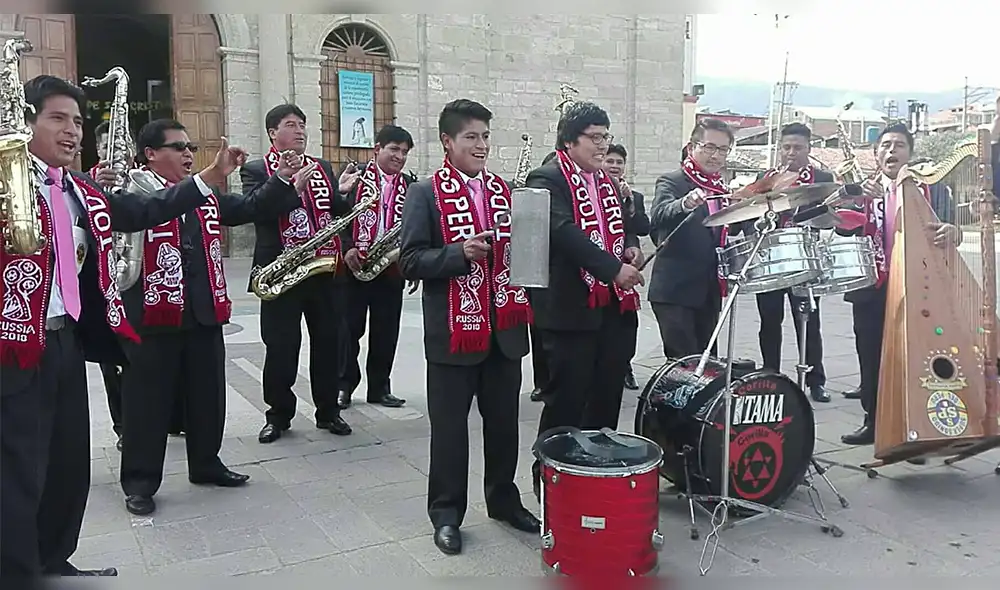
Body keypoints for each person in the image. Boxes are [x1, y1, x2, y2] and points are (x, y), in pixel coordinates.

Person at [0, 75, 218, 579]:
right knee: (17, 467)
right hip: (14, 346)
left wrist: (204, 181)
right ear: (26, 122)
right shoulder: (5, 181)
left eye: (77, 121)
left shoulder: (79, 189)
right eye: (57, 118)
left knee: (67, 461)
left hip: (65, 341)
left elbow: (142, 209)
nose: (72, 131)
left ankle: (53, 558)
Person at [118, 118, 306, 516]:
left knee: (207, 396)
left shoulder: (203, 195)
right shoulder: (131, 191)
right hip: (153, 315)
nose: (189, 154)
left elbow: (249, 208)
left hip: (202, 311)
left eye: (191, 147)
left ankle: (206, 463)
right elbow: (154, 211)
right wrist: (209, 177)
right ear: (150, 154)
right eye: (178, 147)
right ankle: (139, 481)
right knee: (147, 404)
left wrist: (283, 181)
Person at [399, 99, 539, 556]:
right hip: (453, 333)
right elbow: (410, 260)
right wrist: (460, 253)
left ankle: (503, 500)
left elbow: (528, 254)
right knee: (450, 431)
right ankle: (446, 514)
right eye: (471, 137)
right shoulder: (425, 192)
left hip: (504, 329)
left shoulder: (504, 189)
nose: (481, 146)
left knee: (503, 426)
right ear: (448, 141)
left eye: (484, 137)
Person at [525, 102, 644, 495]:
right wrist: (612, 269)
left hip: (611, 306)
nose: (602, 146)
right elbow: (563, 231)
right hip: (570, 307)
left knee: (608, 391)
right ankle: (550, 478)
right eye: (595, 138)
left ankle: (596, 470)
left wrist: (629, 248)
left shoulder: (605, 181)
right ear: (569, 139)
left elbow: (624, 225)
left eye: (605, 137)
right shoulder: (547, 178)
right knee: (567, 399)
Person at [837, 123, 962, 445]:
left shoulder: (932, 190)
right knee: (870, 354)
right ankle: (873, 422)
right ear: (876, 153)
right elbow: (841, 230)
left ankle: (917, 425)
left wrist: (954, 232)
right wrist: (852, 201)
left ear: (911, 153)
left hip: (917, 287)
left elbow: (955, 229)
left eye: (899, 145)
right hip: (871, 287)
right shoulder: (862, 190)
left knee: (917, 357)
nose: (891, 151)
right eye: (886, 145)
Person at [240, 104, 355, 444]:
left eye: (303, 124)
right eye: (292, 125)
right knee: (280, 347)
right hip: (282, 273)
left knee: (329, 343)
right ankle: (278, 415)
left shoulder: (321, 166)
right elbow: (256, 209)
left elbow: (334, 211)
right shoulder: (257, 169)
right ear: (273, 133)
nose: (301, 130)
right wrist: (289, 186)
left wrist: (343, 193)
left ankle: (328, 411)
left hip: (323, 271)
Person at [88, 121, 185, 450]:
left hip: (150, 282)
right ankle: (122, 428)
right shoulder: (86, 182)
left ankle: (172, 417)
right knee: (114, 364)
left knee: (154, 362)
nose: (112, 152)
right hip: (109, 282)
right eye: (104, 147)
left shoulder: (143, 179)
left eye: (118, 145)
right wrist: (97, 189)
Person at [752, 123, 833, 403]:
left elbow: (831, 217)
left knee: (808, 322)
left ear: (808, 149)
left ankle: (816, 380)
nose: (791, 153)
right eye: (786, 147)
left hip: (805, 260)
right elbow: (753, 216)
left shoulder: (822, 178)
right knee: (769, 322)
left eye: (797, 148)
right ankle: (770, 374)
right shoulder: (767, 177)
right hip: (773, 260)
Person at [337, 125, 415, 410]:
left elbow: (414, 229)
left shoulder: (410, 185)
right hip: (353, 268)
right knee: (348, 331)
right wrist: (347, 249)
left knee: (386, 331)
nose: (399, 156)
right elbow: (335, 218)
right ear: (377, 149)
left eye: (404, 152)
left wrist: (411, 263)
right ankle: (343, 387)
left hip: (390, 269)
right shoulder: (354, 180)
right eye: (394, 149)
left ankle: (380, 387)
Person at [647, 118, 733, 358]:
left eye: (723, 149)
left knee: (707, 363)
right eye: (709, 147)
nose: (715, 155)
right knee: (682, 364)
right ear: (691, 147)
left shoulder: (722, 190)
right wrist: (684, 203)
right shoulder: (673, 181)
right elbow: (659, 216)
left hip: (708, 291)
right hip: (676, 290)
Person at [603, 143, 650, 391]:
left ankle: (626, 366)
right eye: (609, 161)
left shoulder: (634, 196)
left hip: (626, 266)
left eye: (619, 162)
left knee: (628, 322)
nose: (614, 166)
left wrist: (629, 202)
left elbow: (640, 228)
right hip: (602, 269)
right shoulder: (594, 193)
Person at [527, 150, 560, 403]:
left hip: (562, 280)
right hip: (539, 276)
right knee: (539, 336)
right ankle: (542, 382)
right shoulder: (536, 195)